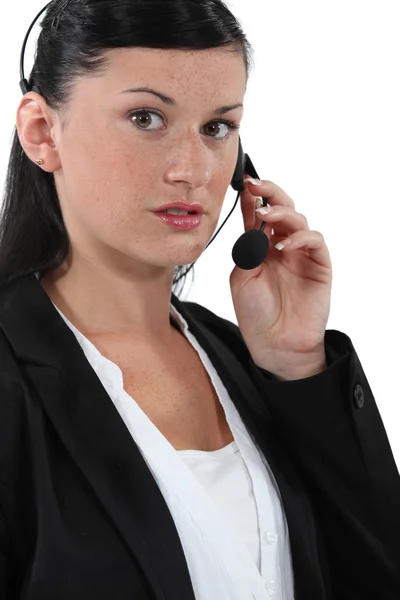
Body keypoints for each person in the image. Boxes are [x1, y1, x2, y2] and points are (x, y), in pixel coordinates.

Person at [0, 0, 399, 598]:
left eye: (217, 127)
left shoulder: (244, 360)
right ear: (41, 131)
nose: (191, 169)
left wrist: (296, 366)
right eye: (145, 118)